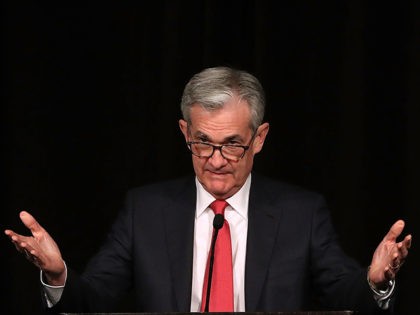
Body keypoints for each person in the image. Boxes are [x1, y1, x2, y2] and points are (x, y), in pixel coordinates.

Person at [5, 66, 412, 314]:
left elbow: (344, 295)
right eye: (202, 142)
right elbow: (92, 301)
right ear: (184, 132)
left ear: (260, 138)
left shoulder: (301, 212)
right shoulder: (144, 210)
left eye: (233, 144)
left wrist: (374, 281)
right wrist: (58, 275)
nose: (216, 160)